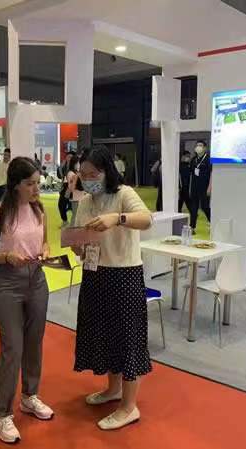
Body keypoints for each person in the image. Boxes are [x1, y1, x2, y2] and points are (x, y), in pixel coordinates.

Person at [72, 145, 152, 431]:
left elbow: (146, 220)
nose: (87, 179)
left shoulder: (124, 194)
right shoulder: (85, 201)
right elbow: (81, 238)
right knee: (105, 335)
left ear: (107, 171)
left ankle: (129, 407)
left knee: (128, 339)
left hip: (124, 274)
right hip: (95, 273)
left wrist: (117, 219)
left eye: (93, 174)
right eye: (83, 174)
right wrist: (78, 246)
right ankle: (113, 389)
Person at [0, 157, 53, 444]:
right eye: (30, 184)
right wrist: (7, 256)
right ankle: (1, 413)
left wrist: (45, 251)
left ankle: (30, 396)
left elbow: (45, 241)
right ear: (16, 185)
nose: (36, 189)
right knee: (12, 347)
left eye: (37, 183)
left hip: (37, 280)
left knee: (34, 341)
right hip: (8, 283)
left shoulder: (39, 209)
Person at [189, 140, 212, 231]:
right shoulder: (193, 160)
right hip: (194, 187)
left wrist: (209, 187)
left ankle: (212, 221)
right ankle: (192, 227)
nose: (198, 147)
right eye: (197, 145)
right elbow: (192, 174)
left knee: (204, 206)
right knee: (193, 207)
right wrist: (190, 188)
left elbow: (212, 174)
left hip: (204, 187)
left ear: (205, 148)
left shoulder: (208, 159)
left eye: (200, 145)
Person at [57, 151, 75, 226]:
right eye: (68, 157)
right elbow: (60, 176)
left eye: (71, 157)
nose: (69, 158)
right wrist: (60, 168)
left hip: (74, 189)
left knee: (75, 207)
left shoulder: (76, 167)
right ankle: (65, 221)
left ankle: (74, 223)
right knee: (61, 205)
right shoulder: (63, 166)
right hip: (65, 187)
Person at [66, 155, 84, 225]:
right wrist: (76, 178)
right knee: (75, 216)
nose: (78, 165)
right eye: (77, 163)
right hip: (75, 198)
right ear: (73, 163)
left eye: (79, 163)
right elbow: (71, 187)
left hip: (81, 196)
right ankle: (72, 229)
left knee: (79, 216)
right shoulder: (71, 173)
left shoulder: (77, 172)